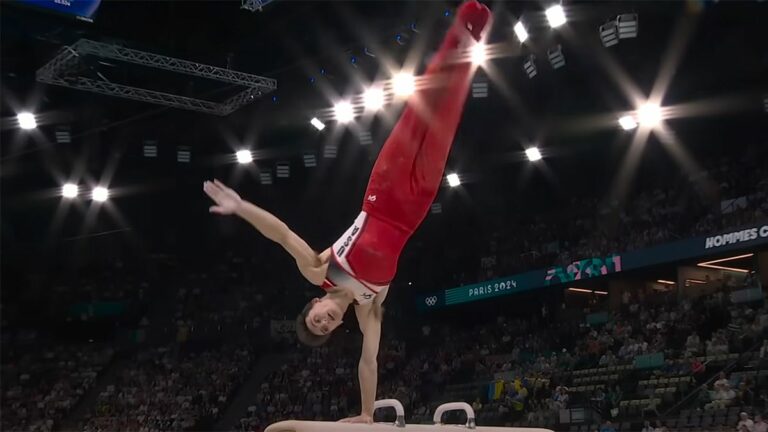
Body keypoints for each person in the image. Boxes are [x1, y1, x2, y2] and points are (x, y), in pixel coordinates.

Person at [203, 0, 492, 424]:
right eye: (326, 329)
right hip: (416, 205)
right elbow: (369, 363)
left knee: (424, 103)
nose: (324, 323)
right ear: (336, 327)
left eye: (316, 320)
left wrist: (241, 206)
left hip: (384, 190)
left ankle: (460, 25)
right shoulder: (368, 306)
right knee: (448, 116)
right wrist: (365, 414)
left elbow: (282, 234)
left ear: (314, 304)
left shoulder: (319, 269)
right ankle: (469, 43)